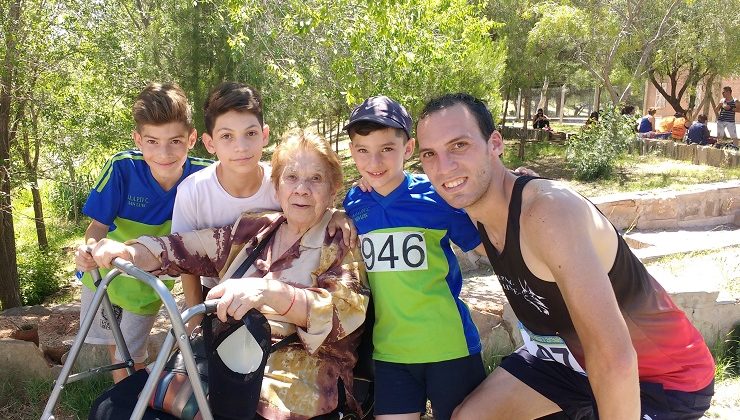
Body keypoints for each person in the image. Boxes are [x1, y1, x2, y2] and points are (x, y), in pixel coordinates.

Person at [415, 93, 715, 419]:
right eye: (430, 153)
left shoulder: (548, 213)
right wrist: (351, 216)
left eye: (459, 145)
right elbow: (397, 188)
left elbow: (614, 358)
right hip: (564, 360)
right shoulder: (472, 202)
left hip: (659, 378)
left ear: (495, 144)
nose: (444, 167)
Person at [78, 133, 370, 419]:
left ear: (333, 188)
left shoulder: (340, 242)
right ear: (277, 186)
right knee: (111, 409)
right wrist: (131, 252)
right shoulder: (254, 228)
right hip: (220, 364)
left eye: (315, 179)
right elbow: (184, 247)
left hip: (288, 382)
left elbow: (341, 313)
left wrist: (268, 293)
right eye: (291, 177)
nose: (302, 189)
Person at [342, 96, 486, 420]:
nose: (374, 161)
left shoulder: (437, 196)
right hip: (391, 353)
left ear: (408, 149)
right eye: (362, 150)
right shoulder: (354, 202)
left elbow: (486, 247)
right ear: (352, 151)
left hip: (449, 346)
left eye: (386, 149)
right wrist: (337, 215)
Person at [172, 82, 355, 331]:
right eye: (227, 136)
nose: (241, 147)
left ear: (264, 135)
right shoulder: (192, 192)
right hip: (215, 291)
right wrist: (196, 325)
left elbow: (313, 206)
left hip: (276, 290)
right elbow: (184, 258)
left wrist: (337, 214)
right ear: (209, 142)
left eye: (250, 134)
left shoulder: (280, 183)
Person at [76, 82, 212, 383]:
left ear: (191, 139)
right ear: (138, 139)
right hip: (108, 277)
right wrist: (88, 251)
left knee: (131, 354)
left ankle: (138, 402)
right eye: (152, 141)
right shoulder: (122, 168)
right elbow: (97, 227)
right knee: (120, 353)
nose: (164, 153)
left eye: (175, 141)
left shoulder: (206, 174)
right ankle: (132, 403)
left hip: (149, 280)